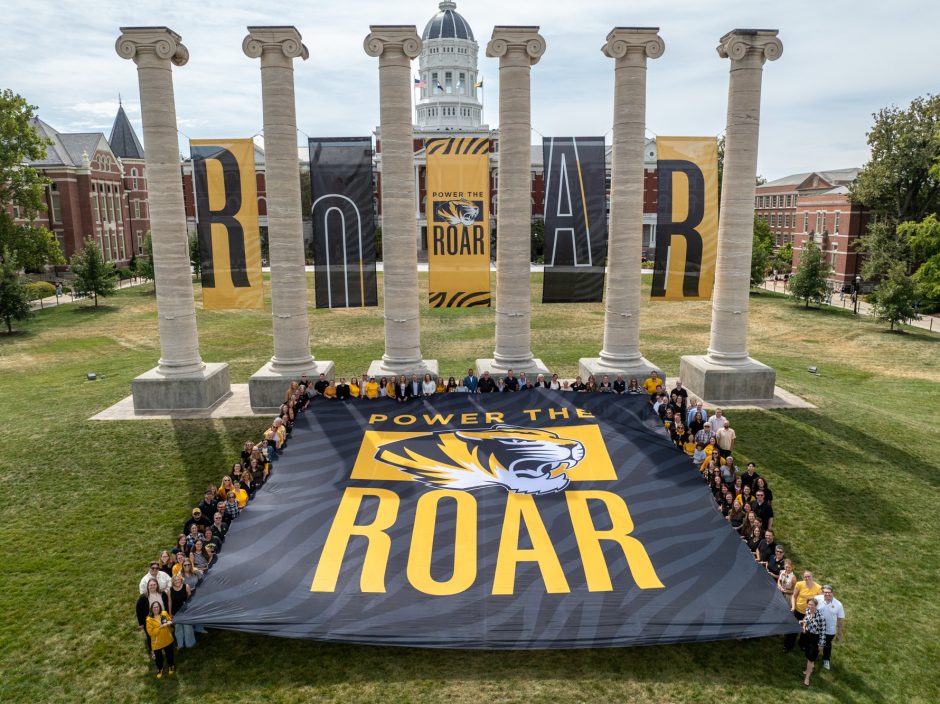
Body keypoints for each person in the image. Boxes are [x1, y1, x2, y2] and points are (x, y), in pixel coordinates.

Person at [785, 570, 822, 653]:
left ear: (812, 576)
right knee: (792, 629)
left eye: (809, 576)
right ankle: (788, 645)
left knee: (805, 631)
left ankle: (802, 644)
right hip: (797, 610)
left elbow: (819, 602)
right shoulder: (799, 584)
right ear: (803, 577)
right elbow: (794, 596)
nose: (807, 578)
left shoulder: (818, 588)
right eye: (805, 576)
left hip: (809, 613)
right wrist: (793, 607)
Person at [813, 585, 845, 670]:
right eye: (825, 592)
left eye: (829, 592)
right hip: (817, 628)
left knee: (827, 645)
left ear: (832, 593)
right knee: (815, 643)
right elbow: (811, 609)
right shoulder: (817, 599)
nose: (827, 594)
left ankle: (826, 659)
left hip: (829, 630)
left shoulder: (838, 604)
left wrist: (839, 632)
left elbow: (840, 619)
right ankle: (813, 658)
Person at [799, 598, 827, 686]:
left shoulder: (821, 617)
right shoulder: (807, 611)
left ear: (816, 606)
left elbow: (823, 632)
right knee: (808, 655)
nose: (810, 606)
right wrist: (804, 625)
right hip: (807, 636)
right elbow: (807, 620)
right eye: (809, 604)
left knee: (810, 658)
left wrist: (821, 644)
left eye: (812, 605)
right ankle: (811, 667)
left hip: (816, 638)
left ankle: (807, 677)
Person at [146, 601, 175, 678]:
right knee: (158, 658)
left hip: (167, 639)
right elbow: (151, 633)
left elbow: (170, 620)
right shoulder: (149, 619)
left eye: (157, 607)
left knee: (170, 654)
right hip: (157, 643)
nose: (156, 608)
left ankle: (171, 666)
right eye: (154, 607)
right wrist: (160, 627)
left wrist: (169, 622)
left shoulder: (164, 613)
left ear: (160, 607)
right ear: (151, 609)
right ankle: (160, 669)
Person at [168, 573, 195, 649]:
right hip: (175, 612)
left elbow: (190, 599)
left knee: (188, 627)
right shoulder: (170, 590)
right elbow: (169, 602)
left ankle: (190, 644)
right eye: (175, 580)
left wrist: (190, 610)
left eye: (178, 579)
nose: (177, 581)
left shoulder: (186, 586)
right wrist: (170, 613)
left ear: (181, 579)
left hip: (186, 611)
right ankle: (180, 644)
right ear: (173, 581)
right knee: (178, 628)